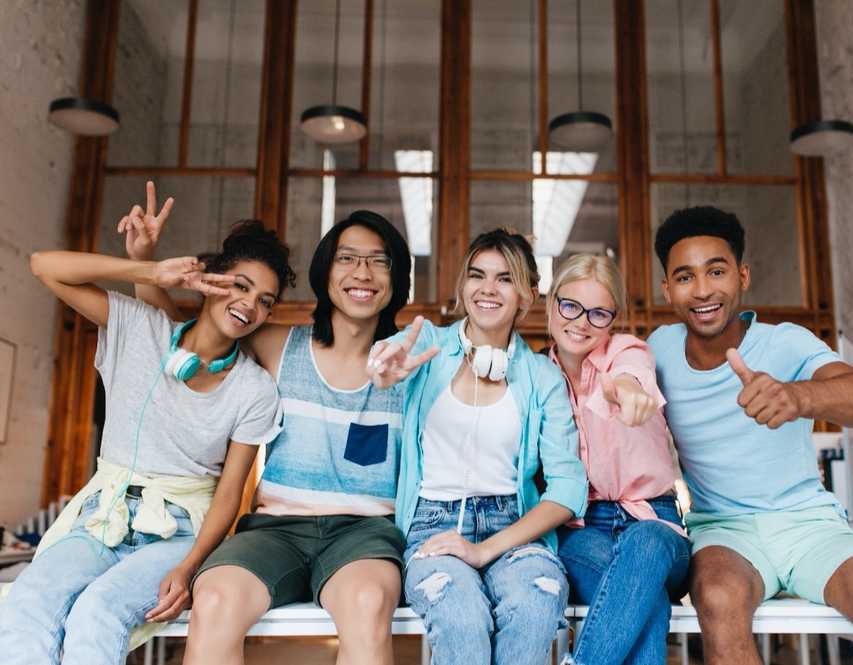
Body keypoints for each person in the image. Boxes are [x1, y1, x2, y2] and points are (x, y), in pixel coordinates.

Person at [122, 183, 421, 665]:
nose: (362, 272)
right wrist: (144, 264)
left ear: (397, 277)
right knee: (214, 598)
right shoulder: (279, 345)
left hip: (366, 534)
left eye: (379, 261)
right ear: (325, 273)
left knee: (367, 602)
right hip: (274, 531)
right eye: (347, 258)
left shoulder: (413, 361)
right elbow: (185, 340)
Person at [647, 206, 853, 665]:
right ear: (667, 288)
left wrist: (798, 396)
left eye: (717, 271)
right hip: (724, 532)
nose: (702, 290)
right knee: (719, 602)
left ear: (743, 276)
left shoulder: (786, 341)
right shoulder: (657, 349)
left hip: (811, 525)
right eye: (685, 277)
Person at [0, 219, 291, 665]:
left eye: (264, 301)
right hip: (103, 518)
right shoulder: (140, 328)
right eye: (240, 286)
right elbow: (44, 265)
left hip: (180, 533)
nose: (249, 305)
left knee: (98, 611)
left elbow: (229, 494)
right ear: (209, 281)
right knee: (28, 602)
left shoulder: (254, 390)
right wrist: (148, 270)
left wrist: (189, 566)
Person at [367, 228, 588, 665]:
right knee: (462, 618)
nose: (488, 288)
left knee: (538, 601)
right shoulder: (428, 345)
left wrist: (486, 549)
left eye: (505, 279)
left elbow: (568, 489)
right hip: (432, 525)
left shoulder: (542, 376)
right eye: (477, 275)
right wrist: (382, 366)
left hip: (513, 526)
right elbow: (390, 353)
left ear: (526, 295)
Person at [546, 254, 690, 665]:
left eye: (598, 313)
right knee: (646, 600)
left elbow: (629, 375)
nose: (581, 322)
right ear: (552, 304)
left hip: (656, 520)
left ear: (614, 319)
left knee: (646, 543)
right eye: (570, 306)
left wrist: (627, 391)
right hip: (582, 527)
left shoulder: (627, 351)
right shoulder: (539, 376)